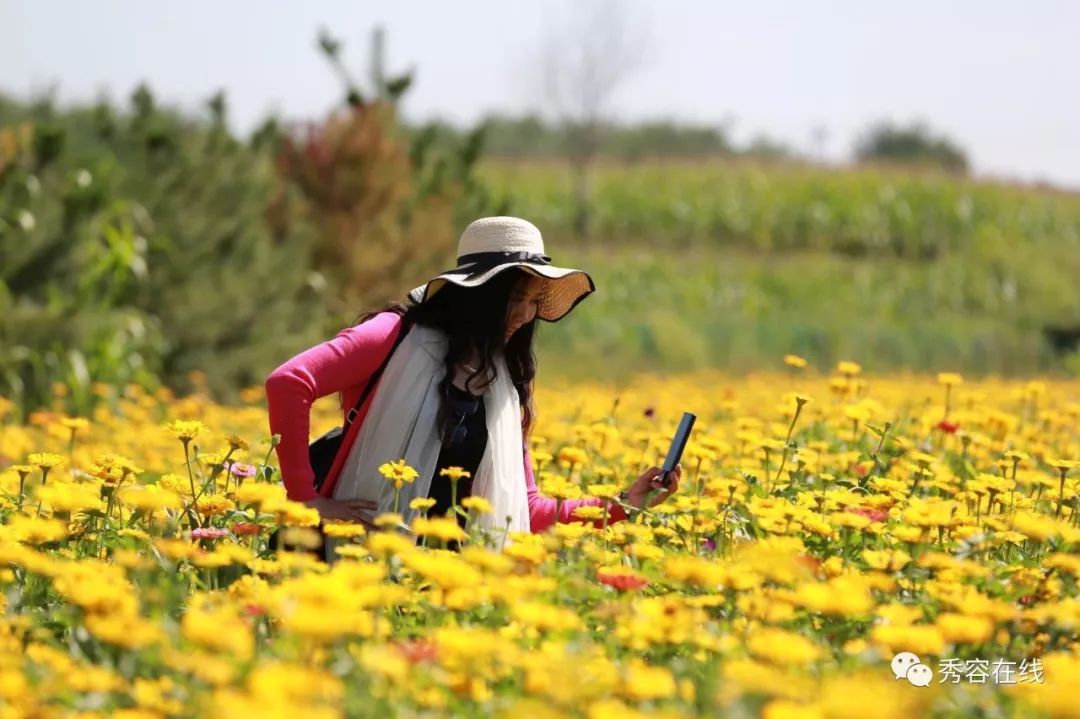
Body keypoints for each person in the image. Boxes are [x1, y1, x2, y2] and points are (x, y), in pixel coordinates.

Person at [265, 216, 682, 547]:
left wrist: (625, 505)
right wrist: (305, 499)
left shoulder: (505, 380)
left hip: (451, 582)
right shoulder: (391, 336)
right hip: (356, 558)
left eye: (534, 301)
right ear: (476, 295)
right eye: (514, 299)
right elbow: (288, 382)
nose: (524, 315)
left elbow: (526, 510)